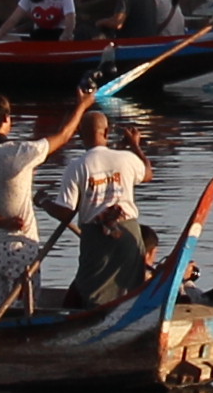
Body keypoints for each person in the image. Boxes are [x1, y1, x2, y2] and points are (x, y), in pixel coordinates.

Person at [0, 90, 98, 312]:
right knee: (25, 313)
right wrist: (82, 105)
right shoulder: (20, 152)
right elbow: (63, 135)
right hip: (20, 249)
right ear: (5, 119)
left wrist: (1, 223)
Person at [48, 109, 160, 311]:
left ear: (80, 135)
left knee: (93, 290)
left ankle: (93, 322)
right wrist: (135, 144)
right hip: (128, 234)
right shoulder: (126, 158)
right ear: (107, 132)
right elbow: (148, 173)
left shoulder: (77, 166)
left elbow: (65, 213)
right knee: (130, 288)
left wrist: (44, 203)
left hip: (97, 238)